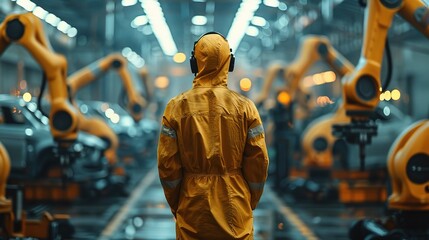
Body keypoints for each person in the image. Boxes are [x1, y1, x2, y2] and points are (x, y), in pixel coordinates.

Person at [157, 31, 269, 240]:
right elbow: (258, 161)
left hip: (192, 205)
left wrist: (178, 203)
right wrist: (248, 200)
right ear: (230, 62)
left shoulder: (176, 107)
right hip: (235, 206)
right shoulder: (246, 108)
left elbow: (167, 165)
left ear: (194, 63)